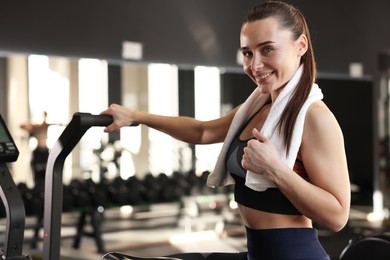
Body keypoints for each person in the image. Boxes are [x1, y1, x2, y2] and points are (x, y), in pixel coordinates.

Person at [101, 1, 350, 259]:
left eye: (267, 49)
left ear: (301, 46)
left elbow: (338, 216)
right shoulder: (255, 107)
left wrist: (276, 170)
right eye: (248, 53)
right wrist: (136, 117)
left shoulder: (315, 118)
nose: (255, 65)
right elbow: (202, 132)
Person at [21, 111, 50, 185]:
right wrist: (32, 124)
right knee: (37, 173)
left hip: (45, 151)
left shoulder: (46, 126)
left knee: (46, 173)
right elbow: (22, 126)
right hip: (38, 152)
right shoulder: (36, 127)